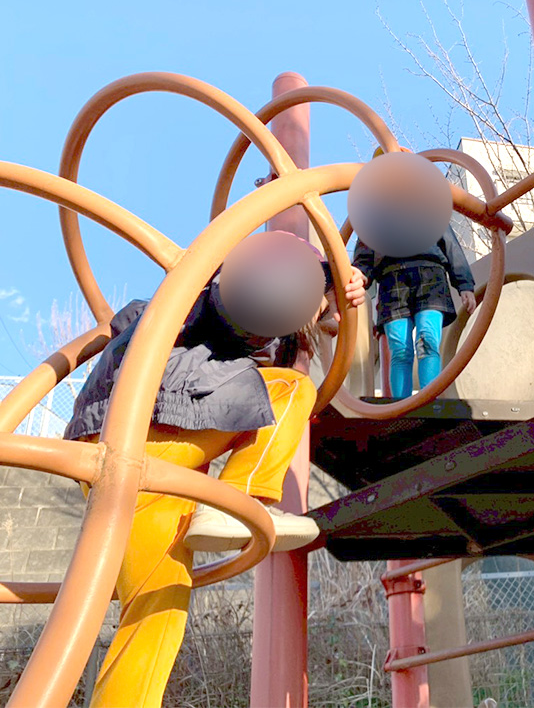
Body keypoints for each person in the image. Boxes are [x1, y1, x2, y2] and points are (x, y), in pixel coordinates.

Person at [64, 235, 366, 707]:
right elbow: (255, 290)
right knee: (291, 391)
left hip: (134, 467)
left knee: (157, 610)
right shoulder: (213, 298)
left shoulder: (236, 337)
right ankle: (239, 499)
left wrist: (337, 296)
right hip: (145, 435)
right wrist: (328, 276)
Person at [353, 224, 477, 398]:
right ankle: (401, 404)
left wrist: (464, 284)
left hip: (430, 274)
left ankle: (429, 401)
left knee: (427, 340)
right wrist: (360, 275)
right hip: (392, 278)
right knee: (400, 350)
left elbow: (450, 244)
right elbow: (365, 253)